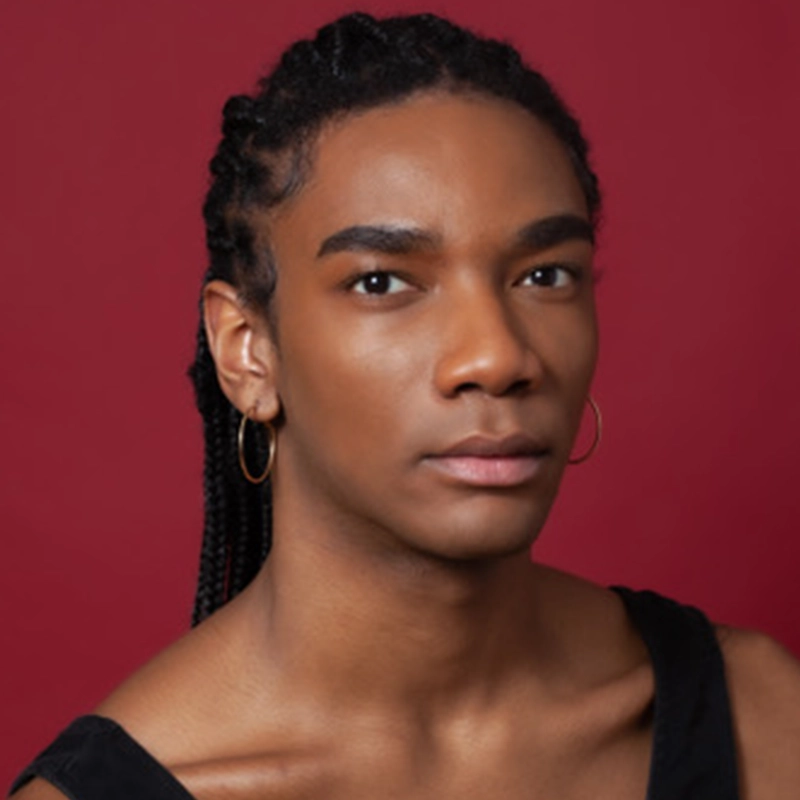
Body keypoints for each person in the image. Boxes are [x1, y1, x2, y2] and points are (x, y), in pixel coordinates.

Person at [10, 11, 800, 800]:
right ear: (248, 351)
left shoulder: (759, 720)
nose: (497, 356)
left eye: (544, 275)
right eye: (381, 281)